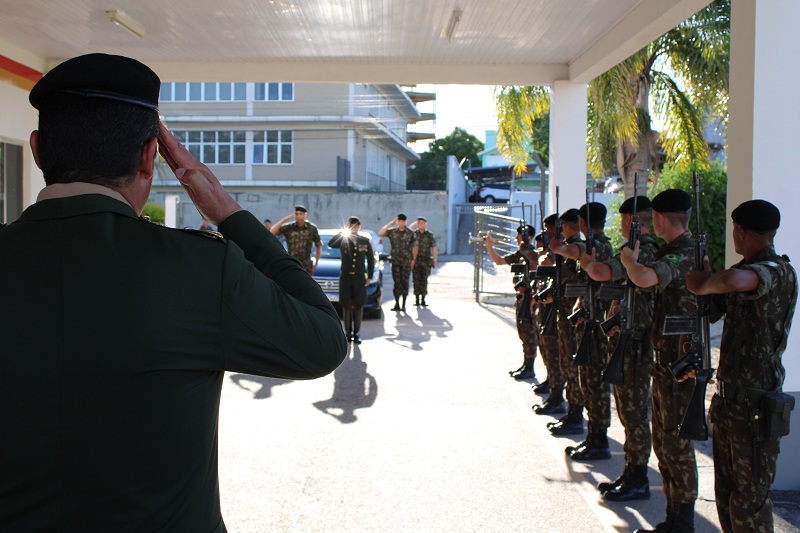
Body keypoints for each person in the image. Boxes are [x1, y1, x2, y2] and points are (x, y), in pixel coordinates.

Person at [0, 53, 347, 532]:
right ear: (149, 156)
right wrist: (228, 213)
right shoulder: (199, 268)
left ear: (37, 150)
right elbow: (323, 343)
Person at [685, 199, 797, 532]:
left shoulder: (777, 271)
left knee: (749, 503)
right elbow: (713, 304)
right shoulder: (742, 271)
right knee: (726, 497)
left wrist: (705, 281)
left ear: (740, 230)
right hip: (729, 404)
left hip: (757, 408)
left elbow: (734, 281)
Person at [621, 189, 698, 533]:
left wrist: (628, 261)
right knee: (667, 441)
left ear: (662, 219)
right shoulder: (678, 251)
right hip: (668, 360)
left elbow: (644, 278)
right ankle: (674, 518)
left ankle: (682, 522)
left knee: (676, 443)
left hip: (681, 365)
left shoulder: (684, 253)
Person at [581, 195, 657, 501]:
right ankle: (632, 472)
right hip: (630, 338)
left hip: (638, 343)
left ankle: (638, 477)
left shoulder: (643, 252)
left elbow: (600, 272)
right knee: (630, 410)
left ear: (629, 220)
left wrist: (585, 261)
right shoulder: (641, 251)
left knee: (635, 412)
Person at [551, 202, 613, 459]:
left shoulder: (594, 247)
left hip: (594, 324)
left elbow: (560, 249)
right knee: (588, 379)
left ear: (584, 223)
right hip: (588, 320)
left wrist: (555, 236)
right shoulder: (595, 245)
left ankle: (598, 439)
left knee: (594, 381)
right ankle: (594, 435)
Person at [546, 208, 586, 436]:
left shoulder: (577, 246)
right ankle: (571, 411)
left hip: (574, 316)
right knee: (566, 364)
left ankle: (576, 414)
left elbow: (571, 254)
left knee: (572, 367)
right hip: (564, 311)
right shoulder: (564, 247)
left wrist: (557, 246)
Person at [484, 224, 539, 381]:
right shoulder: (518, 254)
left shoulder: (534, 254)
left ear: (527, 237)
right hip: (520, 298)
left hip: (529, 298)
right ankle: (526, 364)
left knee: (529, 333)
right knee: (523, 333)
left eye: (519, 235)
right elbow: (499, 261)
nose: (516, 238)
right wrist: (489, 246)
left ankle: (530, 367)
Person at [531, 215, 567, 414]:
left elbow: (545, 263)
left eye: (548, 228)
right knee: (549, 353)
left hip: (557, 311)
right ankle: (553, 390)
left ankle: (557, 397)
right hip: (547, 308)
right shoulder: (555, 249)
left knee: (555, 356)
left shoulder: (562, 250)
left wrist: (549, 251)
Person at [329, 216, 375, 344]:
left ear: (359, 227)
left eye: (356, 226)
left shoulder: (364, 241)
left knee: (359, 305)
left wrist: (370, 276)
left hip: (359, 278)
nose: (354, 228)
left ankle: (357, 333)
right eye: (351, 225)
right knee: (346, 305)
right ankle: (347, 333)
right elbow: (331, 243)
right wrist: (343, 232)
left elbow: (371, 260)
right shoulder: (344, 240)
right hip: (346, 277)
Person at [378, 213, 417, 312]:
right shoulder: (392, 232)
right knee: (397, 283)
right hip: (395, 261)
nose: (401, 223)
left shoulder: (411, 233)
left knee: (405, 283)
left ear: (406, 221)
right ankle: (397, 303)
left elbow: (415, 247)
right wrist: (391, 223)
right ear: (397, 221)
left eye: (402, 221)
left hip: (406, 261)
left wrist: (413, 260)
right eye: (399, 221)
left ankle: (403, 304)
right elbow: (381, 233)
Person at [270, 205, 322, 274]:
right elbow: (272, 232)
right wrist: (284, 220)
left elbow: (318, 245)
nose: (298, 216)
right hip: (291, 263)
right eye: (296, 214)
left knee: (305, 284)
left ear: (305, 214)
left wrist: (316, 262)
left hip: (306, 265)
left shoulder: (312, 228)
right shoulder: (289, 227)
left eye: (301, 214)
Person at [411, 216, 438, 307]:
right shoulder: (414, 234)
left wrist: (434, 259)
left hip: (426, 261)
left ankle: (423, 299)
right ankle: (417, 299)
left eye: (422, 223)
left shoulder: (429, 235)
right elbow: (407, 230)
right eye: (418, 223)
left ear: (425, 224)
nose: (420, 224)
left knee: (424, 280)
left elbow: (433, 247)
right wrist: (413, 224)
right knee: (416, 280)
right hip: (416, 260)